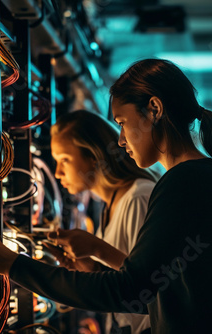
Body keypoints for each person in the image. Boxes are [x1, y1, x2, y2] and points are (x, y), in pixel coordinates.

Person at [0, 59, 212, 334]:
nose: (120, 139)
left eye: (122, 122)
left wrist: (13, 265)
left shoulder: (185, 181)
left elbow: (130, 292)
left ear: (154, 109)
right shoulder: (196, 177)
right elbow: (156, 294)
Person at [46, 110, 156, 334]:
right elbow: (120, 276)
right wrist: (91, 270)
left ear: (93, 156)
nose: (57, 173)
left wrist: (96, 248)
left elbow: (149, 283)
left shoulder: (138, 197)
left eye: (64, 160)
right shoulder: (109, 205)